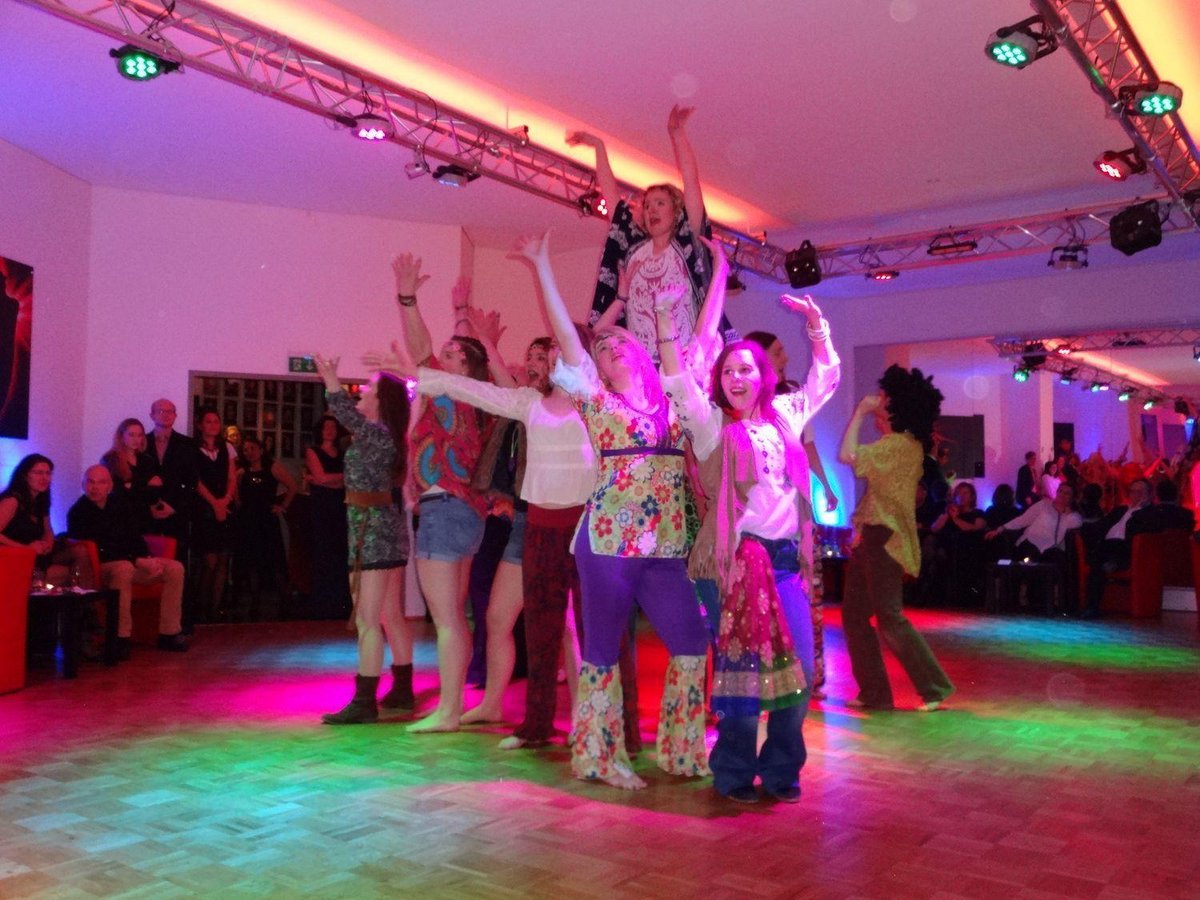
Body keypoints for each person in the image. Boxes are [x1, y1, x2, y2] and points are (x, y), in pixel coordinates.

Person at [525, 232, 710, 790]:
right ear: (596, 369)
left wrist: (712, 279)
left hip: (665, 548)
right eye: (602, 349)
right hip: (607, 544)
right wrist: (542, 266)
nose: (610, 350)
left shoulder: (673, 400)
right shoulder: (595, 400)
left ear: (641, 351)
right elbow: (568, 337)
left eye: (620, 342)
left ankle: (681, 751)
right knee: (602, 651)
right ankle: (599, 757)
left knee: (690, 642)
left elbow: (700, 337)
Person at [659, 292, 839, 803]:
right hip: (732, 563)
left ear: (764, 376)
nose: (736, 378)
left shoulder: (786, 415)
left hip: (783, 564)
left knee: (799, 674)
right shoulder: (710, 425)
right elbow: (678, 382)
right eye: (727, 372)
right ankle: (735, 771)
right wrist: (665, 322)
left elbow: (825, 377)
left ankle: (781, 770)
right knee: (741, 676)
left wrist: (816, 323)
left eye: (746, 369)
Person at [392, 253, 493, 734]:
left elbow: (421, 349)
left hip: (446, 509)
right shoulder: (468, 397)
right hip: (463, 511)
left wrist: (408, 299)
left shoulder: (451, 390)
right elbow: (434, 352)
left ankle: (449, 711)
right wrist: (460, 315)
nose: (441, 356)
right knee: (455, 615)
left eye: (452, 353)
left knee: (447, 617)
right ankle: (452, 705)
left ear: (464, 367)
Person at [838, 366, 955, 712]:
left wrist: (861, 411)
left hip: (884, 538)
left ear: (896, 407)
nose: (879, 400)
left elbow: (847, 455)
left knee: (889, 616)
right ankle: (875, 693)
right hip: (874, 537)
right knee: (855, 615)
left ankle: (934, 687)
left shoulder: (900, 446)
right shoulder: (899, 445)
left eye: (884, 397)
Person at [568, 106, 715, 360]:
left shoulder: (686, 246)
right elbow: (612, 198)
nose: (651, 210)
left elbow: (692, 183)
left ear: (676, 211)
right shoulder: (634, 250)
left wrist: (677, 134)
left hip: (682, 361)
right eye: (647, 206)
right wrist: (599, 147)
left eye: (660, 203)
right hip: (640, 364)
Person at [313, 355, 414, 724]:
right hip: (384, 531)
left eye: (369, 388)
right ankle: (402, 690)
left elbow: (345, 414)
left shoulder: (378, 433)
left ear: (382, 399)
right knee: (390, 616)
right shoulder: (385, 435)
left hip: (373, 535)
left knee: (368, 619)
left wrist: (330, 379)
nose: (361, 392)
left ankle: (364, 702)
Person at [66, 465, 187, 656]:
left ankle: (169, 633)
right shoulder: (78, 512)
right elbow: (101, 548)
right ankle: (120, 637)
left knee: (175, 568)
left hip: (131, 562)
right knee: (123, 568)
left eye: (101, 482)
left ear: (109, 485)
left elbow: (134, 536)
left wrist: (148, 559)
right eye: (90, 482)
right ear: (83, 485)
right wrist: (136, 560)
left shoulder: (120, 505)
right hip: (102, 566)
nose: (95, 487)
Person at [0, 454, 91, 587]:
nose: (44, 478)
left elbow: (47, 528)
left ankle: (85, 596)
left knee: (81, 551)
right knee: (67, 572)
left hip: (37, 553)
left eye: (48, 473)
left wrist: (48, 543)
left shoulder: (40, 500)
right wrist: (25, 549)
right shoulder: (12, 500)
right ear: (25, 475)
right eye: (38, 473)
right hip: (16, 554)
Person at [232, 435, 297, 621]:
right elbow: (235, 494)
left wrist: (282, 507)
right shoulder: (242, 472)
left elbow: (292, 486)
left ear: (261, 449)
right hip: (248, 522)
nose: (249, 452)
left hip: (267, 522)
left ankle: (284, 603)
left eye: (252, 448)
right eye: (245, 450)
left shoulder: (272, 467)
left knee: (274, 561)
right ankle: (254, 603)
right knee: (251, 563)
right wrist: (239, 505)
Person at [1081, 478, 1152, 618]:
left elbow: (1142, 530)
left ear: (1147, 495)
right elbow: (1101, 525)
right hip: (1107, 546)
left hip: (1125, 547)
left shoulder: (1148, 513)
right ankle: (1091, 607)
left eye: (1139, 492)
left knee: (1098, 558)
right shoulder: (1120, 510)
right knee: (1098, 563)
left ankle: (1112, 562)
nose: (1135, 495)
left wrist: (1141, 508)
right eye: (1133, 491)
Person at [191, 407, 238, 622]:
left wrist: (226, 499)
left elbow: (232, 477)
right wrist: (214, 503)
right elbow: (196, 480)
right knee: (209, 561)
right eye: (208, 421)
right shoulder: (192, 448)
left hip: (225, 506)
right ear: (200, 425)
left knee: (223, 559)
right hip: (204, 509)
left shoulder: (227, 447)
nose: (212, 425)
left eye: (216, 421)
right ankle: (201, 609)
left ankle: (215, 609)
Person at [305, 414, 353, 619]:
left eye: (333, 426)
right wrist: (334, 479)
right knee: (323, 552)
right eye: (326, 427)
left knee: (340, 553)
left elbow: (344, 480)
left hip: (340, 506)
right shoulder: (312, 451)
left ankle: (340, 603)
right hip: (322, 508)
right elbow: (321, 477)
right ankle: (323, 604)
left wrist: (326, 480)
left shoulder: (343, 454)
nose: (330, 430)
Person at [930, 481, 988, 606]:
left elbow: (974, 528)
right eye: (959, 493)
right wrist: (948, 514)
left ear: (972, 496)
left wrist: (956, 519)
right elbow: (934, 528)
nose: (961, 496)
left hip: (970, 551)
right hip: (948, 549)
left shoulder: (978, 513)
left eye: (965, 493)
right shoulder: (949, 513)